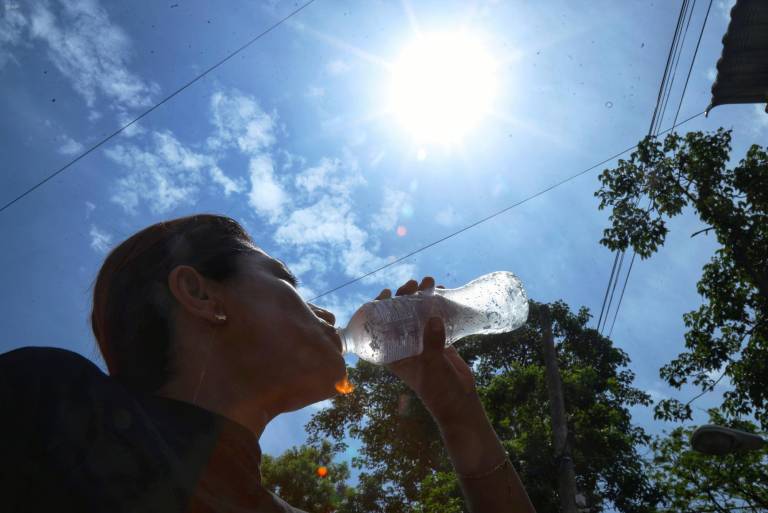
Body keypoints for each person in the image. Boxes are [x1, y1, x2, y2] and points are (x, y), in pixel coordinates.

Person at [0, 214, 535, 513]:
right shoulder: (51, 404)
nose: (326, 310)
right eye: (286, 278)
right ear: (201, 295)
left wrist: (457, 410)